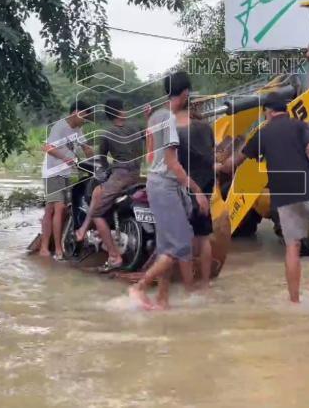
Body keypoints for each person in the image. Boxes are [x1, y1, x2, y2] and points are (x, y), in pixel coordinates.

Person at [219, 91, 309, 303]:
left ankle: (294, 300)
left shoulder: (263, 133)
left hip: (283, 196)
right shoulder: (298, 126)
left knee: (293, 246)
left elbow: (234, 163)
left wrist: (217, 165)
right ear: (284, 109)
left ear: (268, 112)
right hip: (308, 189)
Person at [128, 71, 210, 310]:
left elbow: (151, 152)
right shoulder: (169, 120)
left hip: (156, 183)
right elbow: (173, 163)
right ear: (185, 94)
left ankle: (162, 300)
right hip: (165, 185)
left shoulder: (155, 116)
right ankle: (140, 286)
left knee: (166, 246)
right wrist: (197, 191)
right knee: (181, 244)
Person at [74, 97, 143, 272]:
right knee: (99, 191)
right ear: (121, 111)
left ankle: (114, 256)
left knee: (97, 212)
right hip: (137, 175)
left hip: (120, 177)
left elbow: (102, 159)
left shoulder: (107, 134)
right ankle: (87, 231)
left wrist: (107, 170)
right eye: (123, 107)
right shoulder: (135, 127)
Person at [40, 100, 92, 260]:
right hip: (53, 171)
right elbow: (48, 148)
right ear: (75, 112)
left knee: (50, 210)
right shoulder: (60, 127)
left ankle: (44, 247)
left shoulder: (78, 129)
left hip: (65, 173)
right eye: (84, 115)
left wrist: (95, 158)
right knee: (60, 208)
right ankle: (58, 249)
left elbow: (86, 148)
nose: (84, 120)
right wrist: (65, 159)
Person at [175, 101, 215, 290]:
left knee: (186, 236)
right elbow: (211, 153)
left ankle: (188, 286)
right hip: (207, 184)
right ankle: (206, 283)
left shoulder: (179, 131)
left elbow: (176, 164)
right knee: (204, 235)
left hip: (188, 185)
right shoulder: (207, 128)